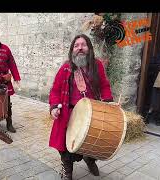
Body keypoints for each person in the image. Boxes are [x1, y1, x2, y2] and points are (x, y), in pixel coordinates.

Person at [49, 34, 114, 180]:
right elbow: (55, 90)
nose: (80, 48)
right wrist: (54, 107)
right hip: (70, 113)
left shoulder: (97, 65)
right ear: (72, 49)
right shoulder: (66, 67)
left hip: (93, 113)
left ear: (89, 48)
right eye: (76, 45)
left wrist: (108, 103)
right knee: (66, 147)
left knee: (95, 140)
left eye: (83, 45)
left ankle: (90, 159)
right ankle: (67, 169)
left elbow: (104, 86)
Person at [145, 39, 160, 126]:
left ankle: (159, 118)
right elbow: (151, 64)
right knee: (154, 99)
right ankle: (148, 116)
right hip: (158, 83)